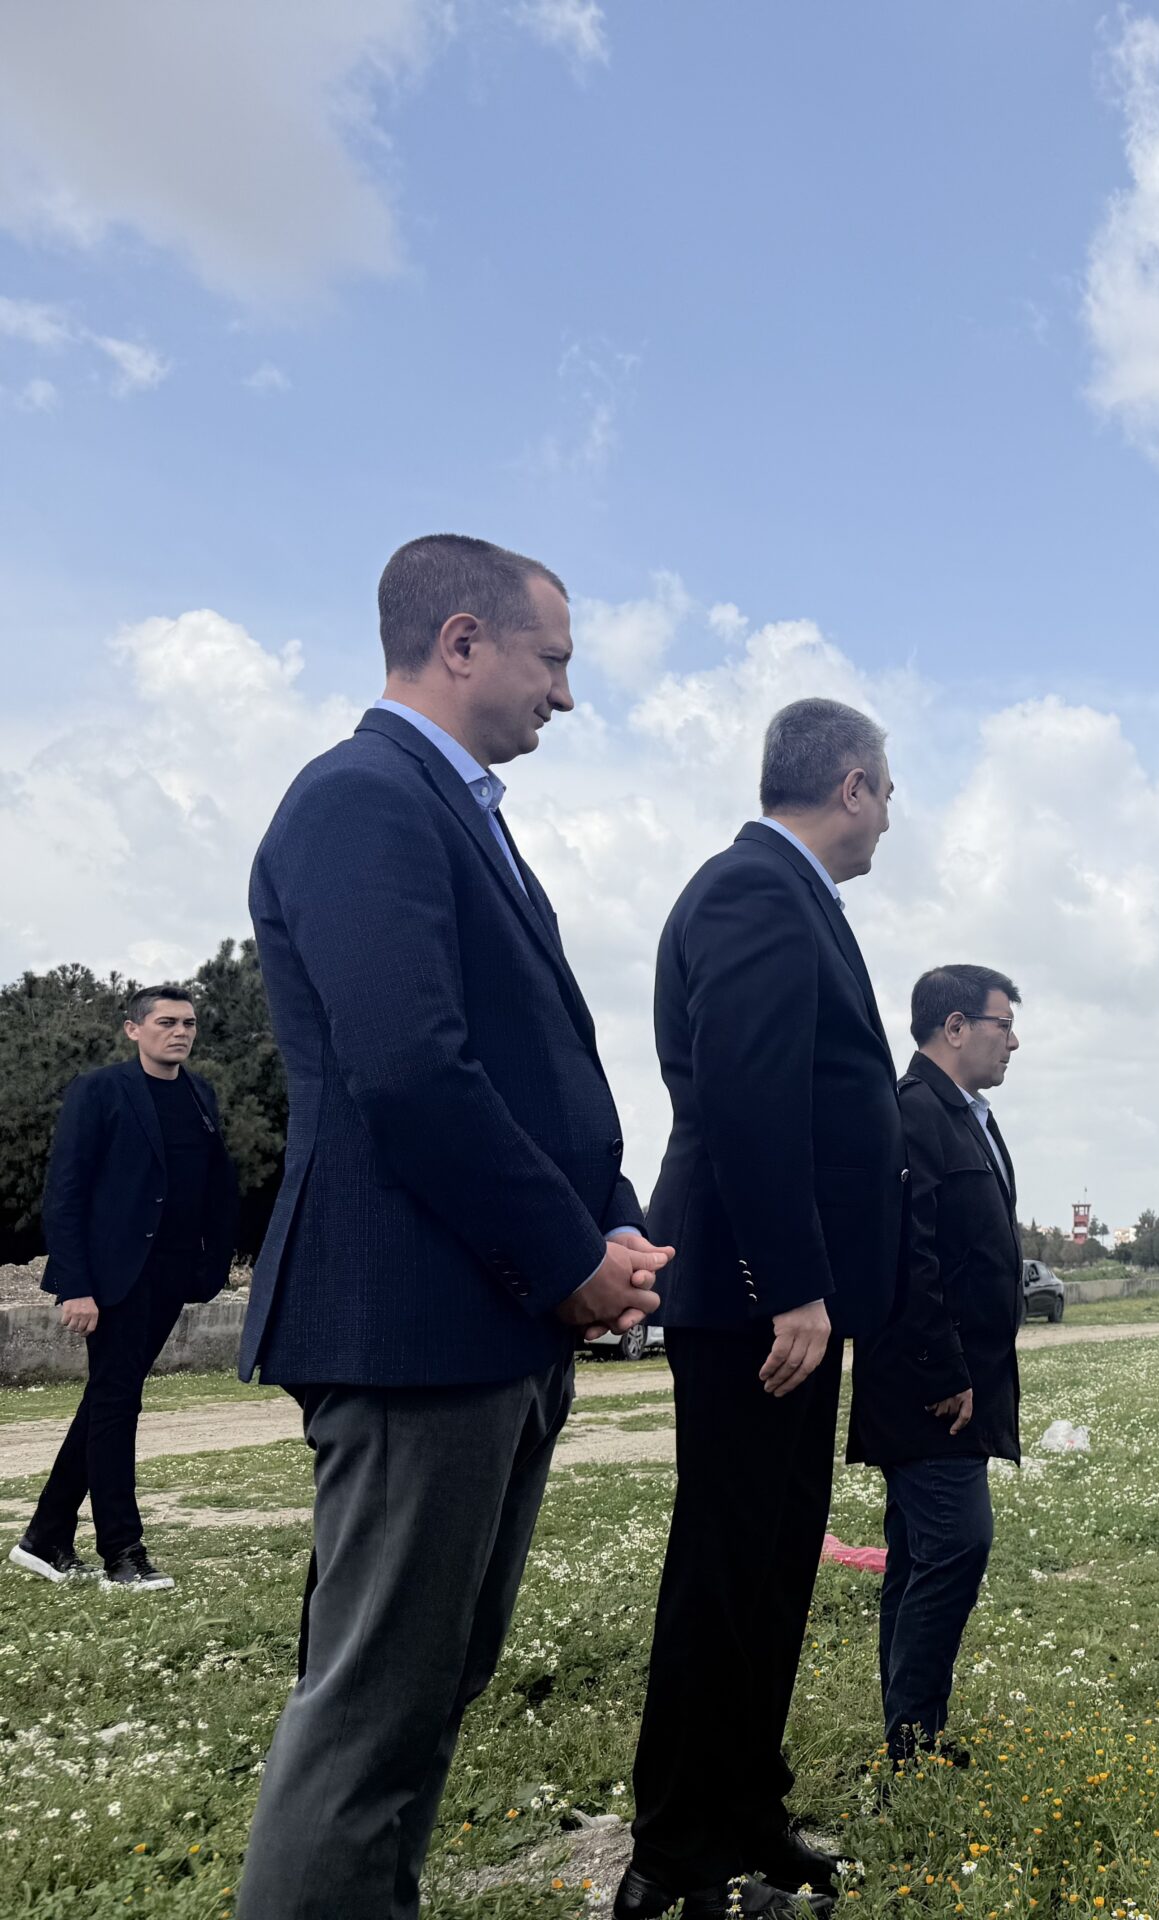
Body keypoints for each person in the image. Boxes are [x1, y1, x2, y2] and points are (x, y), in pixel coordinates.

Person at [233, 535, 668, 1920]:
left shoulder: (455, 809)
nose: (566, 696)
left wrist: (610, 1223)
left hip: (484, 1322)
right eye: (555, 662)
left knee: (427, 1691)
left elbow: (528, 1064)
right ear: (463, 640)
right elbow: (410, 1070)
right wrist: (565, 1255)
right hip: (417, 1324)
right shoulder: (363, 797)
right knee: (371, 1709)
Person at [615, 698, 905, 1920]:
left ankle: (745, 1806)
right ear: (851, 785)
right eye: (887, 791)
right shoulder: (754, 892)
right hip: (758, 1311)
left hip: (790, 1310)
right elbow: (745, 1098)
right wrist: (787, 1286)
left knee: (775, 1567)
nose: (891, 815)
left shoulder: (792, 900)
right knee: (728, 1571)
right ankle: (674, 1854)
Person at [853, 963, 1027, 1772]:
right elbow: (906, 1259)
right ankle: (911, 1743)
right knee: (957, 1544)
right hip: (930, 1388)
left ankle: (909, 1736)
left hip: (961, 1381)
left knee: (921, 1553)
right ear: (954, 1027)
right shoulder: (912, 1113)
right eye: (1002, 1025)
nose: (1013, 1041)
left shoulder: (966, 1116)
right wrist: (944, 1370)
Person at [13, 984, 240, 1591]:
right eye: (166, 1022)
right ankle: (122, 1553)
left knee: (108, 1401)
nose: (181, 1032)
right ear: (132, 1029)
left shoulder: (200, 1094)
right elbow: (66, 1193)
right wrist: (76, 1286)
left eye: (189, 1023)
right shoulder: (101, 1090)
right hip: (112, 1277)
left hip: (170, 1275)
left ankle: (46, 1537)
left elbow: (214, 1185)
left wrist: (211, 1264)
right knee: (117, 1402)